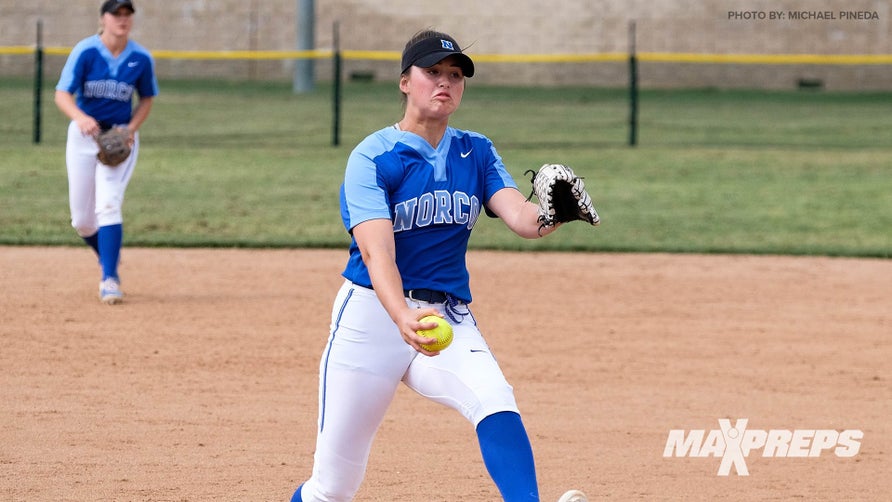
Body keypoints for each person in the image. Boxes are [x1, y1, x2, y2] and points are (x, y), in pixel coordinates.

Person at [290, 30, 589, 502]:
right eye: (432, 72)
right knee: (332, 488)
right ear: (405, 82)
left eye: (455, 75)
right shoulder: (372, 157)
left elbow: (521, 217)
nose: (444, 82)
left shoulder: (478, 151)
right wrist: (401, 315)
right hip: (371, 320)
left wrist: (553, 214)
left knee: (494, 399)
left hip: (445, 316)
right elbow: (376, 253)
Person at [54, 0, 158, 304]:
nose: (122, 19)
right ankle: (108, 256)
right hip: (85, 136)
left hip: (119, 139)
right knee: (83, 221)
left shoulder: (140, 58)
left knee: (109, 204)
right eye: (117, 14)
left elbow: (147, 99)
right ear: (104, 19)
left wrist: (131, 128)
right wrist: (80, 117)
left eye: (127, 14)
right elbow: (62, 94)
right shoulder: (86, 51)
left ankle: (109, 278)